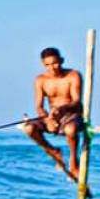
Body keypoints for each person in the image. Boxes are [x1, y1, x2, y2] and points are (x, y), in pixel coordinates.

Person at [21, 46, 84, 180]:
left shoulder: (73, 75)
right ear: (43, 64)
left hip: (71, 115)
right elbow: (39, 106)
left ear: (61, 60)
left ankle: (74, 161)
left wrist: (62, 109)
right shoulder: (40, 80)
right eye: (48, 65)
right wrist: (48, 120)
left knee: (70, 130)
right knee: (28, 128)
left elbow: (77, 101)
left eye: (55, 63)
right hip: (51, 116)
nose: (52, 68)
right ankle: (53, 151)